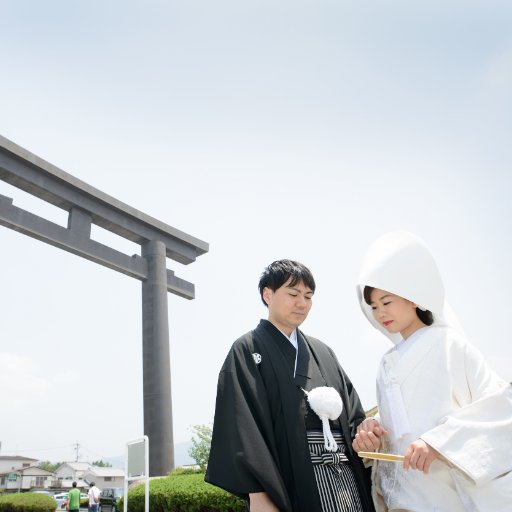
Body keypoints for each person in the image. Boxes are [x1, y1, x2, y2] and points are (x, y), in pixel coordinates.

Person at [352, 230, 512, 511]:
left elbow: (500, 408)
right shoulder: (386, 363)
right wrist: (372, 431)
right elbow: (396, 429)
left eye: (387, 302)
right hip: (401, 498)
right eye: (374, 307)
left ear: (414, 297)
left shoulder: (450, 345)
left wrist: (439, 443)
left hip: (446, 496)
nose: (380, 314)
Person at [205, 259, 375, 512]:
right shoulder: (248, 349)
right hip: (289, 481)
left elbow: (353, 414)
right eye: (293, 293)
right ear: (267, 294)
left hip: (344, 478)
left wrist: (365, 434)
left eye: (308, 296)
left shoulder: (323, 352)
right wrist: (258, 494)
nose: (302, 303)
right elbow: (240, 424)